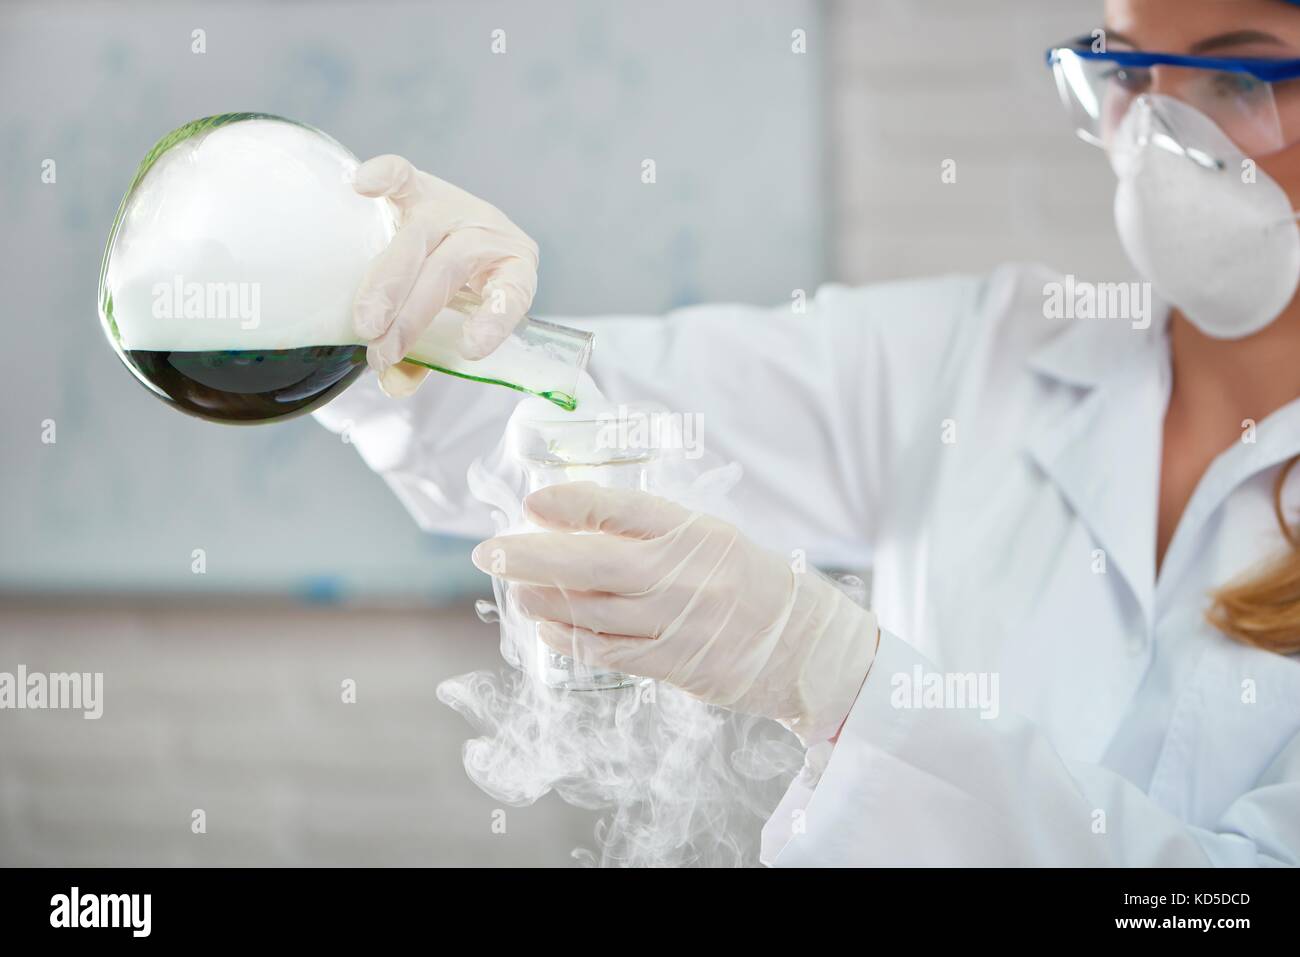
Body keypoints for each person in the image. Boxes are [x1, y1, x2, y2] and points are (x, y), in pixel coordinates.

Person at [315, 0, 1300, 866]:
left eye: (1229, 75)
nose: (1155, 139)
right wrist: (413, 301)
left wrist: (842, 680)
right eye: (1124, 76)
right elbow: (544, 420)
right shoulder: (979, 356)